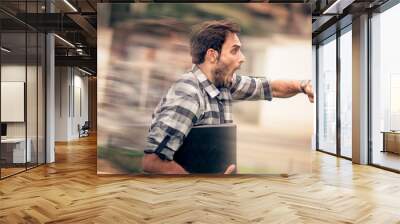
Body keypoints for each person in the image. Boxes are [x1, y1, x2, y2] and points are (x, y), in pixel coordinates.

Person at [142, 20, 314, 174]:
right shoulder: (188, 94)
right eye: (235, 51)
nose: (242, 58)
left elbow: (270, 88)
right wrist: (204, 187)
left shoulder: (224, 84)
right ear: (212, 55)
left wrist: (303, 86)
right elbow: (153, 162)